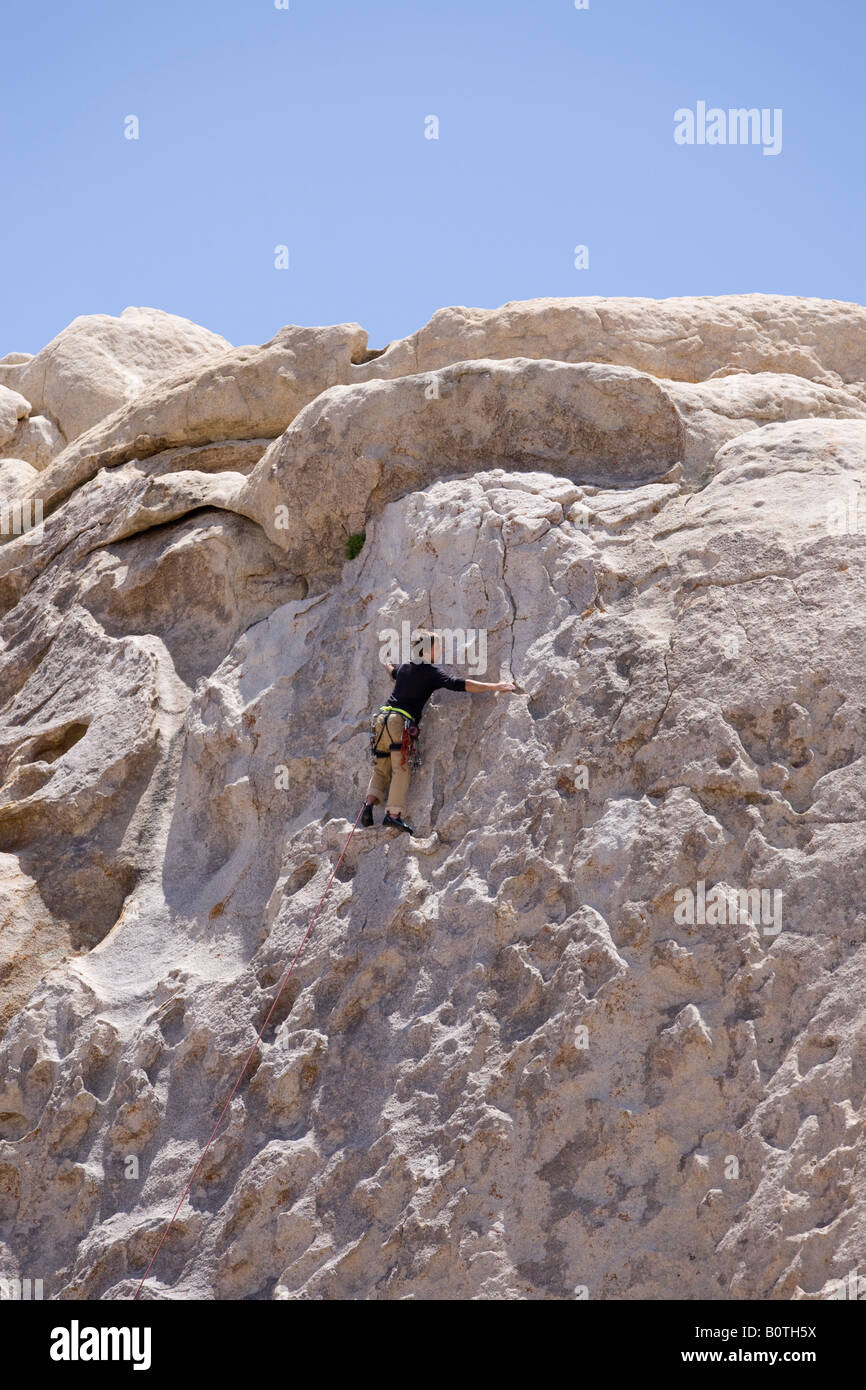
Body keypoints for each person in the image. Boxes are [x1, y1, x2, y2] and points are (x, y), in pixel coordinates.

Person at [361, 628, 517, 834]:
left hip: (381, 719)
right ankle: (393, 815)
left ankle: (369, 805)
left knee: (382, 766)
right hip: (399, 722)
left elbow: (393, 671)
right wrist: (493, 686)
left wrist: (387, 664)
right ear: (427, 650)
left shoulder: (406, 667)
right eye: (438, 647)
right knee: (401, 766)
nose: (441, 650)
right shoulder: (430, 672)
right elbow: (459, 684)